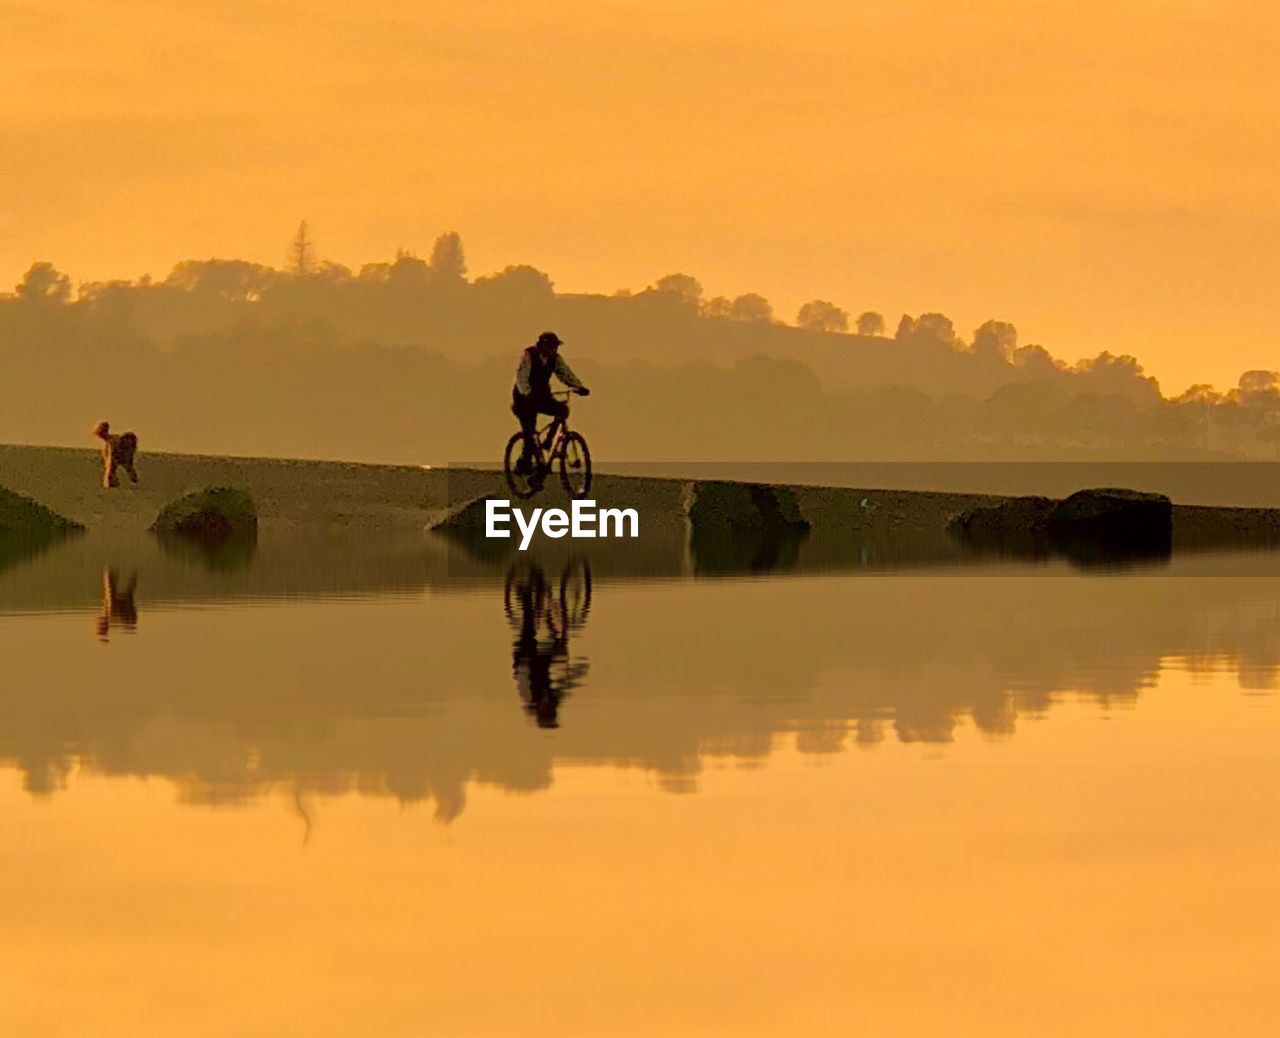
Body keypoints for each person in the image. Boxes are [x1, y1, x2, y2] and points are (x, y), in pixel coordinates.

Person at [511, 332, 589, 476]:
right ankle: (525, 463)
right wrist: (528, 393)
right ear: (544, 345)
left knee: (562, 410)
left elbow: (565, 373)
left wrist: (578, 387)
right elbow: (521, 378)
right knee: (529, 431)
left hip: (541, 396)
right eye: (552, 346)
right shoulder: (529, 355)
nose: (554, 350)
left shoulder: (554, 359)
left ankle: (548, 440)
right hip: (523, 399)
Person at [92, 420, 139, 488]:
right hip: (118, 461)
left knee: (112, 474)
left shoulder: (112, 442)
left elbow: (111, 460)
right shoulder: (108, 442)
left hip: (117, 460)